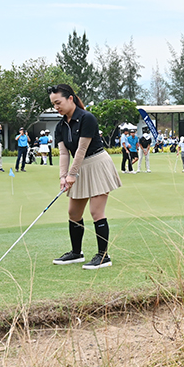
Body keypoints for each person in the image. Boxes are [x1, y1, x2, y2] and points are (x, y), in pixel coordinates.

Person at [49, 84, 121, 270]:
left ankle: (104, 255)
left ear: (70, 98)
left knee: (96, 212)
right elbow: (64, 153)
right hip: (79, 167)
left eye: (58, 103)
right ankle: (76, 253)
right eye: (53, 104)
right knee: (74, 213)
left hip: (97, 164)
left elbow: (81, 149)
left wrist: (72, 174)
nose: (56, 107)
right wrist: (62, 177)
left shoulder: (86, 118)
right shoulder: (60, 126)